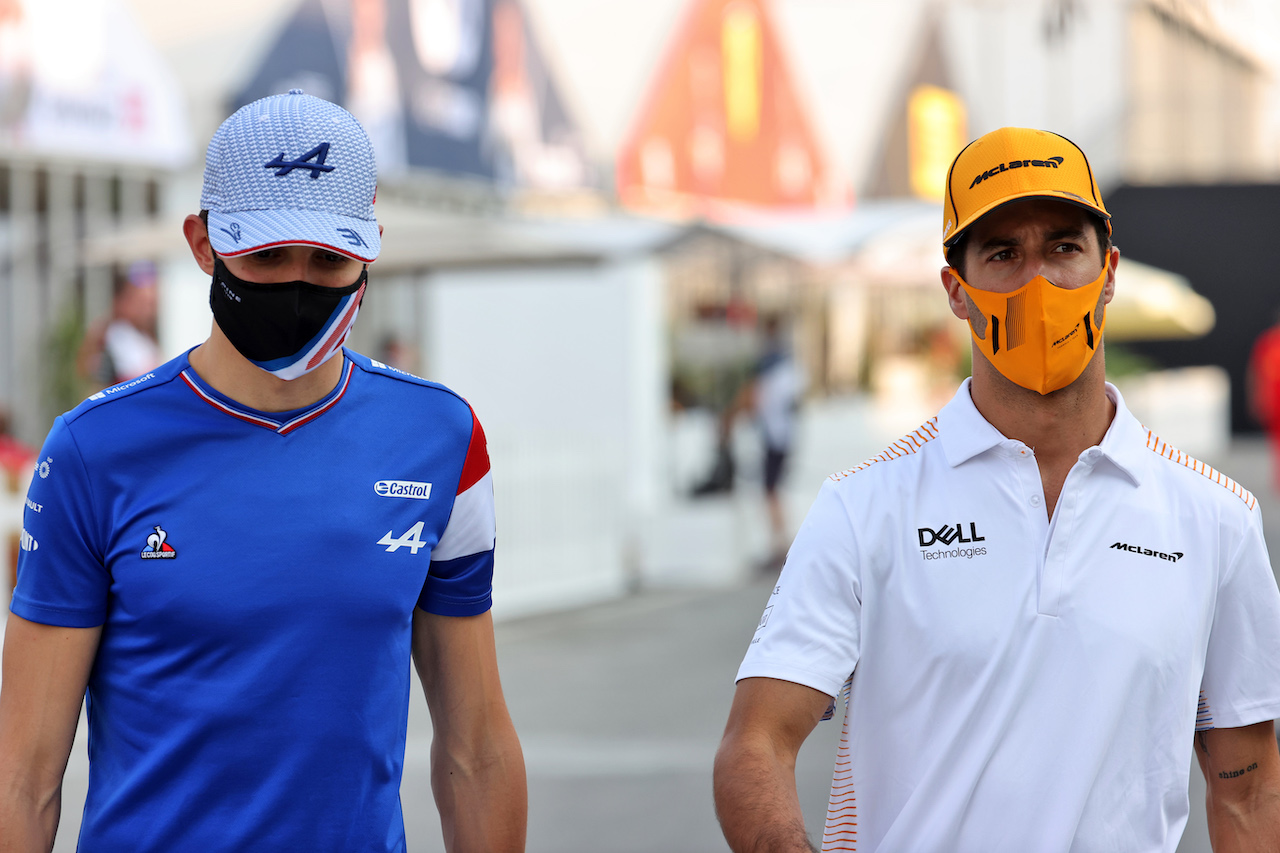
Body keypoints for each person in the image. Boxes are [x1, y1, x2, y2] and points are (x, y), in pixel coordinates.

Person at [713, 127, 1280, 852]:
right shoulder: (866, 507)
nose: (1037, 279)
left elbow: (1249, 787)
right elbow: (754, 744)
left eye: (1062, 248)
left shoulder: (1216, 520)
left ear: (1107, 272)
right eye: (1003, 254)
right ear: (956, 289)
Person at [0, 90, 526, 852]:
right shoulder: (93, 449)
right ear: (203, 243)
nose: (298, 285)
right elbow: (24, 776)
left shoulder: (442, 439)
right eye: (267, 255)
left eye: (330, 259)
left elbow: (476, 751)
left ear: (372, 247)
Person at [76, 260, 163, 389]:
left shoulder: (143, 334)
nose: (146, 310)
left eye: (149, 304)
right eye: (139, 302)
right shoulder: (110, 333)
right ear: (120, 300)